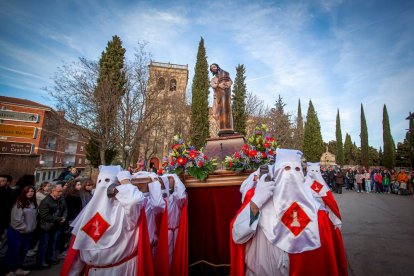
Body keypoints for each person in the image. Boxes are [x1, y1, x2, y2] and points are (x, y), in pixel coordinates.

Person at [231, 149, 347, 276]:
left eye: (296, 169)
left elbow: (324, 259)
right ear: (276, 173)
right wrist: (256, 202)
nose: (291, 174)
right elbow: (238, 235)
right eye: (286, 168)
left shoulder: (316, 212)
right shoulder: (259, 201)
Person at [61, 166, 154, 276]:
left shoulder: (126, 210)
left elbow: (135, 200)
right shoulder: (89, 212)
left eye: (109, 181)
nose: (104, 186)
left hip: (121, 270)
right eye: (101, 181)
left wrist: (125, 181)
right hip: (92, 271)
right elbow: (77, 255)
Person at [4, 186, 37, 276]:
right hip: (17, 232)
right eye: (28, 191)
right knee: (14, 251)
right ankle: (9, 270)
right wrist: (25, 228)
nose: (30, 193)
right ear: (24, 192)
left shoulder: (32, 203)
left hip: (27, 232)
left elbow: (33, 218)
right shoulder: (19, 203)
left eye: (32, 191)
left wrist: (32, 228)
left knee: (23, 250)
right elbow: (16, 220)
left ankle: (17, 268)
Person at [36, 183, 67, 269]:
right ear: (53, 191)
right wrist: (59, 219)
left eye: (61, 191)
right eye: (59, 191)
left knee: (52, 242)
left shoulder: (61, 199)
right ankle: (40, 261)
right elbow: (44, 215)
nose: (60, 193)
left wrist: (64, 217)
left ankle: (50, 258)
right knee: (44, 244)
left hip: (56, 225)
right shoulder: (46, 201)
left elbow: (64, 209)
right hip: (46, 226)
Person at [210, 63, 234, 135]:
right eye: (212, 68)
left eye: (214, 67)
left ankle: (229, 127)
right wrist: (219, 85)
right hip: (217, 96)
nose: (214, 68)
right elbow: (213, 85)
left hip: (226, 96)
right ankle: (219, 127)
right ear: (211, 70)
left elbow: (230, 81)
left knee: (227, 110)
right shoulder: (213, 79)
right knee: (215, 113)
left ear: (217, 67)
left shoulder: (224, 74)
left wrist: (227, 84)